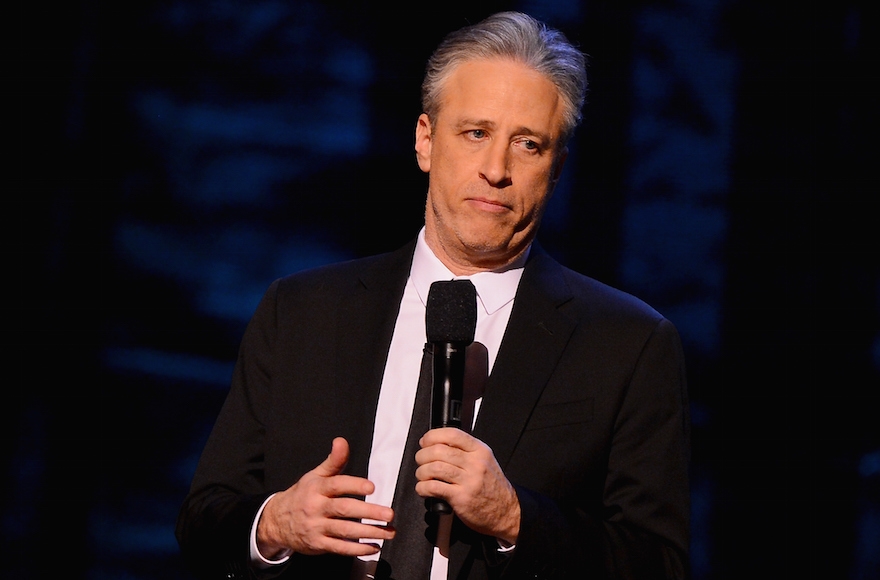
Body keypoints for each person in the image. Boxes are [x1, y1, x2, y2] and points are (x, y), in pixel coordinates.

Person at [176, 11, 690, 580]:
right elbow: (204, 520)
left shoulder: (627, 343)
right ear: (425, 141)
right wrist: (274, 525)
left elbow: (658, 563)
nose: (496, 169)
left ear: (557, 168)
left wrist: (518, 518)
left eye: (528, 145)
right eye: (476, 133)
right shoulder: (302, 311)